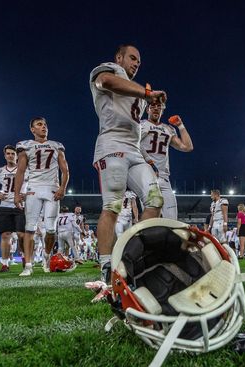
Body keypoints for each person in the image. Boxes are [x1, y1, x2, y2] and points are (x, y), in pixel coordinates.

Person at [89, 44, 167, 282]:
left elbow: (135, 122)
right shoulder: (110, 69)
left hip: (134, 151)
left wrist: (151, 99)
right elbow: (105, 82)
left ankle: (128, 255)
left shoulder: (138, 92)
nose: (136, 63)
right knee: (112, 206)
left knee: (155, 200)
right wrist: (146, 94)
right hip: (112, 144)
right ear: (119, 57)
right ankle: (105, 265)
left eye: (139, 61)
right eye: (132, 58)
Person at [14, 117, 69, 277]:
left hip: (52, 189)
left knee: (51, 229)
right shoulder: (25, 145)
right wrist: (17, 194)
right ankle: (28, 266)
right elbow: (20, 171)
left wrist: (62, 188)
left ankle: (46, 255)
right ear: (32, 129)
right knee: (29, 228)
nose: (44, 127)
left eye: (45, 124)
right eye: (39, 124)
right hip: (33, 189)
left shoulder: (56, 145)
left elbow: (65, 170)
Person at [139, 102, 194, 219]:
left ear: (162, 110)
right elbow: (133, 145)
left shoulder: (168, 129)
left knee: (171, 219)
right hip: (146, 175)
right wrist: (148, 162)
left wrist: (181, 126)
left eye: (159, 107)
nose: (156, 109)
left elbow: (187, 147)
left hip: (164, 177)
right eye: (152, 106)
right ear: (147, 109)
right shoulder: (140, 125)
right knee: (152, 219)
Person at [0, 144, 26, 273]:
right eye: (8, 153)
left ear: (17, 155)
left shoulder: (24, 169)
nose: (10, 155)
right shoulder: (0, 171)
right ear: (5, 155)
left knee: (22, 235)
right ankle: (5, 264)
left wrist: (26, 195)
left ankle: (24, 259)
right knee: (5, 235)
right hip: (5, 205)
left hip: (20, 205)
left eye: (13, 153)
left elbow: (33, 186)